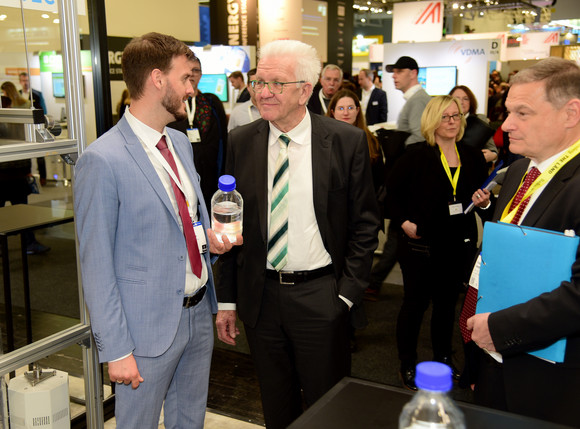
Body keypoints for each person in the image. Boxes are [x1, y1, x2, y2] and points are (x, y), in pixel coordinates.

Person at [74, 32, 239, 428]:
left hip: (197, 314)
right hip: (143, 330)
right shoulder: (102, 160)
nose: (192, 89)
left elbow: (186, 221)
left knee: (190, 421)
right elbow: (95, 265)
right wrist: (116, 350)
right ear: (157, 79)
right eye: (186, 78)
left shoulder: (179, 144)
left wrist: (211, 243)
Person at [215, 39, 380, 429]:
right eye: (259, 82)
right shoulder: (242, 141)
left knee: (328, 407)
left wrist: (346, 294)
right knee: (276, 405)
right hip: (261, 299)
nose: (264, 91)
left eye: (276, 83)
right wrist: (227, 301)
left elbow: (365, 223)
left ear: (305, 89)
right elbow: (231, 222)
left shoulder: (344, 141)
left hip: (322, 296)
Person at [465, 57, 580, 427]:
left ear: (571, 113)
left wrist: (501, 328)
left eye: (522, 113)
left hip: (552, 380)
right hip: (496, 359)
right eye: (508, 111)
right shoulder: (517, 171)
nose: (506, 125)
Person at [388, 95, 488, 391]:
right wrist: (404, 222)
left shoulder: (471, 155)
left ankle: (444, 357)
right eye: (445, 117)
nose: (452, 122)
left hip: (458, 244)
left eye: (456, 116)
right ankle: (407, 362)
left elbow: (483, 201)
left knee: (446, 305)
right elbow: (391, 196)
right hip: (421, 246)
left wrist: (484, 203)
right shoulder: (415, 155)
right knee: (415, 304)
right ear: (432, 120)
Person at [167, 56, 228, 212]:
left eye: (196, 70)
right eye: (188, 71)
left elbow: (223, 139)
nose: (192, 75)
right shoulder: (173, 105)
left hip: (211, 177)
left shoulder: (211, 102)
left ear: (201, 74)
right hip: (181, 175)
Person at [327, 89, 384, 193]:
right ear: (332, 112)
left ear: (357, 111)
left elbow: (377, 177)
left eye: (350, 108)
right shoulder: (323, 141)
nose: (346, 113)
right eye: (340, 108)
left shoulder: (371, 140)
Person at [385, 56, 431, 147]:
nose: (393, 76)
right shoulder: (416, 98)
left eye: (399, 71)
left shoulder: (418, 100)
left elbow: (420, 137)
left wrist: (399, 148)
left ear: (413, 73)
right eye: (394, 72)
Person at [449, 85, 498, 163]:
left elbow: (492, 149)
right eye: (457, 98)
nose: (461, 102)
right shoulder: (443, 120)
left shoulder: (479, 121)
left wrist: (492, 155)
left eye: (465, 99)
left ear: (470, 102)